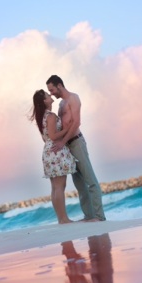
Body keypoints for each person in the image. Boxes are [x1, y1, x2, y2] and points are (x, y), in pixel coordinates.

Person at [46, 75, 106, 221]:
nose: (51, 93)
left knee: (90, 180)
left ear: (59, 85)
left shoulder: (73, 98)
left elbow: (76, 122)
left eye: (52, 89)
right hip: (67, 147)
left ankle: (99, 216)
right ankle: (89, 216)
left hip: (76, 143)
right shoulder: (60, 105)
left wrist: (62, 142)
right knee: (79, 184)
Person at [29, 89, 76, 224]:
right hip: (55, 151)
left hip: (48, 151)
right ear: (44, 101)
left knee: (55, 187)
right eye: (47, 95)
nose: (50, 96)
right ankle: (64, 219)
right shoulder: (50, 116)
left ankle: (60, 219)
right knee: (60, 186)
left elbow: (46, 138)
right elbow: (53, 135)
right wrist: (68, 128)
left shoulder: (42, 116)